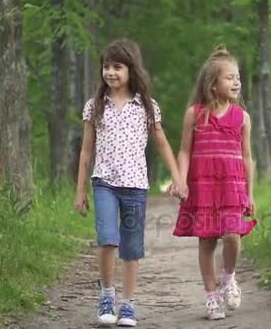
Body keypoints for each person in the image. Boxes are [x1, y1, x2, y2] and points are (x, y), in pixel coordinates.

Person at [74, 38, 186, 327]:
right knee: (108, 239)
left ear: (131, 70)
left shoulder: (146, 106)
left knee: (132, 247)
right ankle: (107, 296)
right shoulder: (95, 106)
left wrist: (177, 178)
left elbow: (162, 144)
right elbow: (86, 150)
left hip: (136, 185)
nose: (110, 72)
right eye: (106, 66)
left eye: (117, 67)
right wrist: (80, 191)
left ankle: (128, 304)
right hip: (104, 184)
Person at [171, 46, 257, 320]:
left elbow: (247, 156)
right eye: (230, 77)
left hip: (232, 186)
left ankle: (228, 276)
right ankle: (211, 297)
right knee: (206, 242)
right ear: (212, 84)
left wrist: (250, 193)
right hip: (203, 187)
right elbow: (184, 151)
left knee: (232, 235)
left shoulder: (242, 117)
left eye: (238, 77)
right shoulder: (194, 113)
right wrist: (180, 180)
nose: (237, 82)